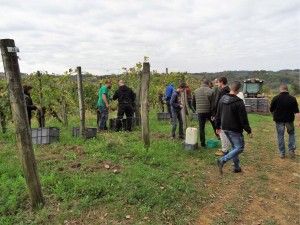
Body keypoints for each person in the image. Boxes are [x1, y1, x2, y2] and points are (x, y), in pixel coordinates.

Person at [215, 81, 253, 174]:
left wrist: (217, 126)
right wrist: (248, 130)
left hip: (224, 127)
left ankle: (236, 167)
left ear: (231, 87)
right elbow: (243, 119)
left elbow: (218, 114)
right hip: (235, 129)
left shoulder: (222, 99)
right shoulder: (239, 102)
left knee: (235, 147)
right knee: (240, 147)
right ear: (239, 89)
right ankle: (222, 160)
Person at [270, 84, 300, 158]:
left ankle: (282, 153)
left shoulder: (276, 98)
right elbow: (296, 111)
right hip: (289, 120)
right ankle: (291, 150)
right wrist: (299, 121)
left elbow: (271, 109)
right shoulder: (292, 98)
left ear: (280, 89)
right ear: (287, 89)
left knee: (280, 135)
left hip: (279, 120)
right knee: (291, 134)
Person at [193, 79, 218, 148]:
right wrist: (213, 114)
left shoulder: (195, 91)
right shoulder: (211, 91)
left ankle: (203, 144)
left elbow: (193, 103)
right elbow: (213, 104)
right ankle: (219, 137)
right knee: (215, 125)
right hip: (209, 112)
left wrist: (197, 109)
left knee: (201, 128)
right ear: (209, 84)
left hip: (200, 112)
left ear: (202, 83)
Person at [212, 77, 231, 156]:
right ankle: (225, 147)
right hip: (227, 113)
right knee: (225, 131)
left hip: (221, 114)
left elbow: (217, 104)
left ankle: (224, 150)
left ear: (222, 82)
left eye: (218, 82)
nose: (217, 84)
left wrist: (214, 114)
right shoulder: (229, 90)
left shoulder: (221, 91)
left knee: (221, 132)